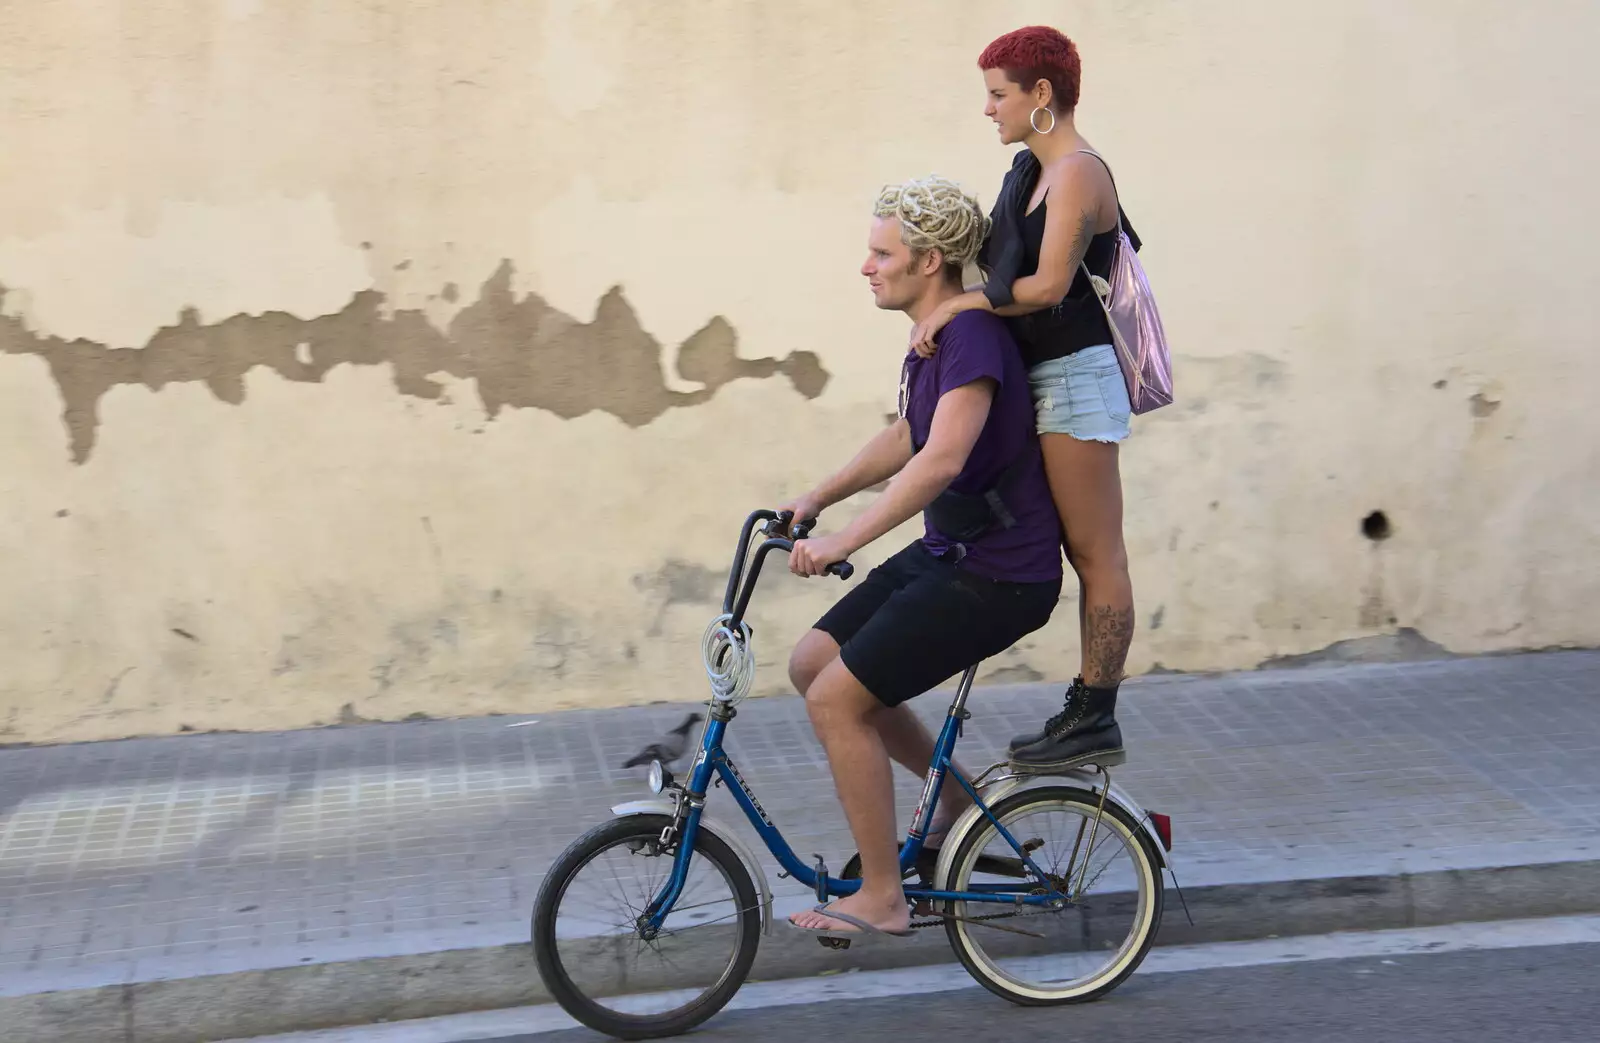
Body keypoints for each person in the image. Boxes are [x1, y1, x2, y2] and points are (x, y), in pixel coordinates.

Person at [779, 175, 1064, 938]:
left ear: (930, 259)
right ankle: (961, 806)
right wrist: (817, 498)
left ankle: (882, 896)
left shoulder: (970, 336)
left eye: (881, 253)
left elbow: (939, 461)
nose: (866, 267)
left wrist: (840, 541)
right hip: (952, 552)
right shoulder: (936, 334)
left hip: (1000, 573)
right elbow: (908, 434)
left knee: (836, 700)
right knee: (813, 662)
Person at [907, 25, 1139, 773]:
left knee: (1095, 550)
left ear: (1043, 94)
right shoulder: (1028, 170)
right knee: (1073, 546)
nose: (988, 109)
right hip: (1043, 377)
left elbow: (1045, 287)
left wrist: (958, 308)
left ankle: (1095, 713)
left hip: (1076, 378)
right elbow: (1001, 267)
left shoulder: (1077, 172)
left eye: (998, 93)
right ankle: (1084, 709)